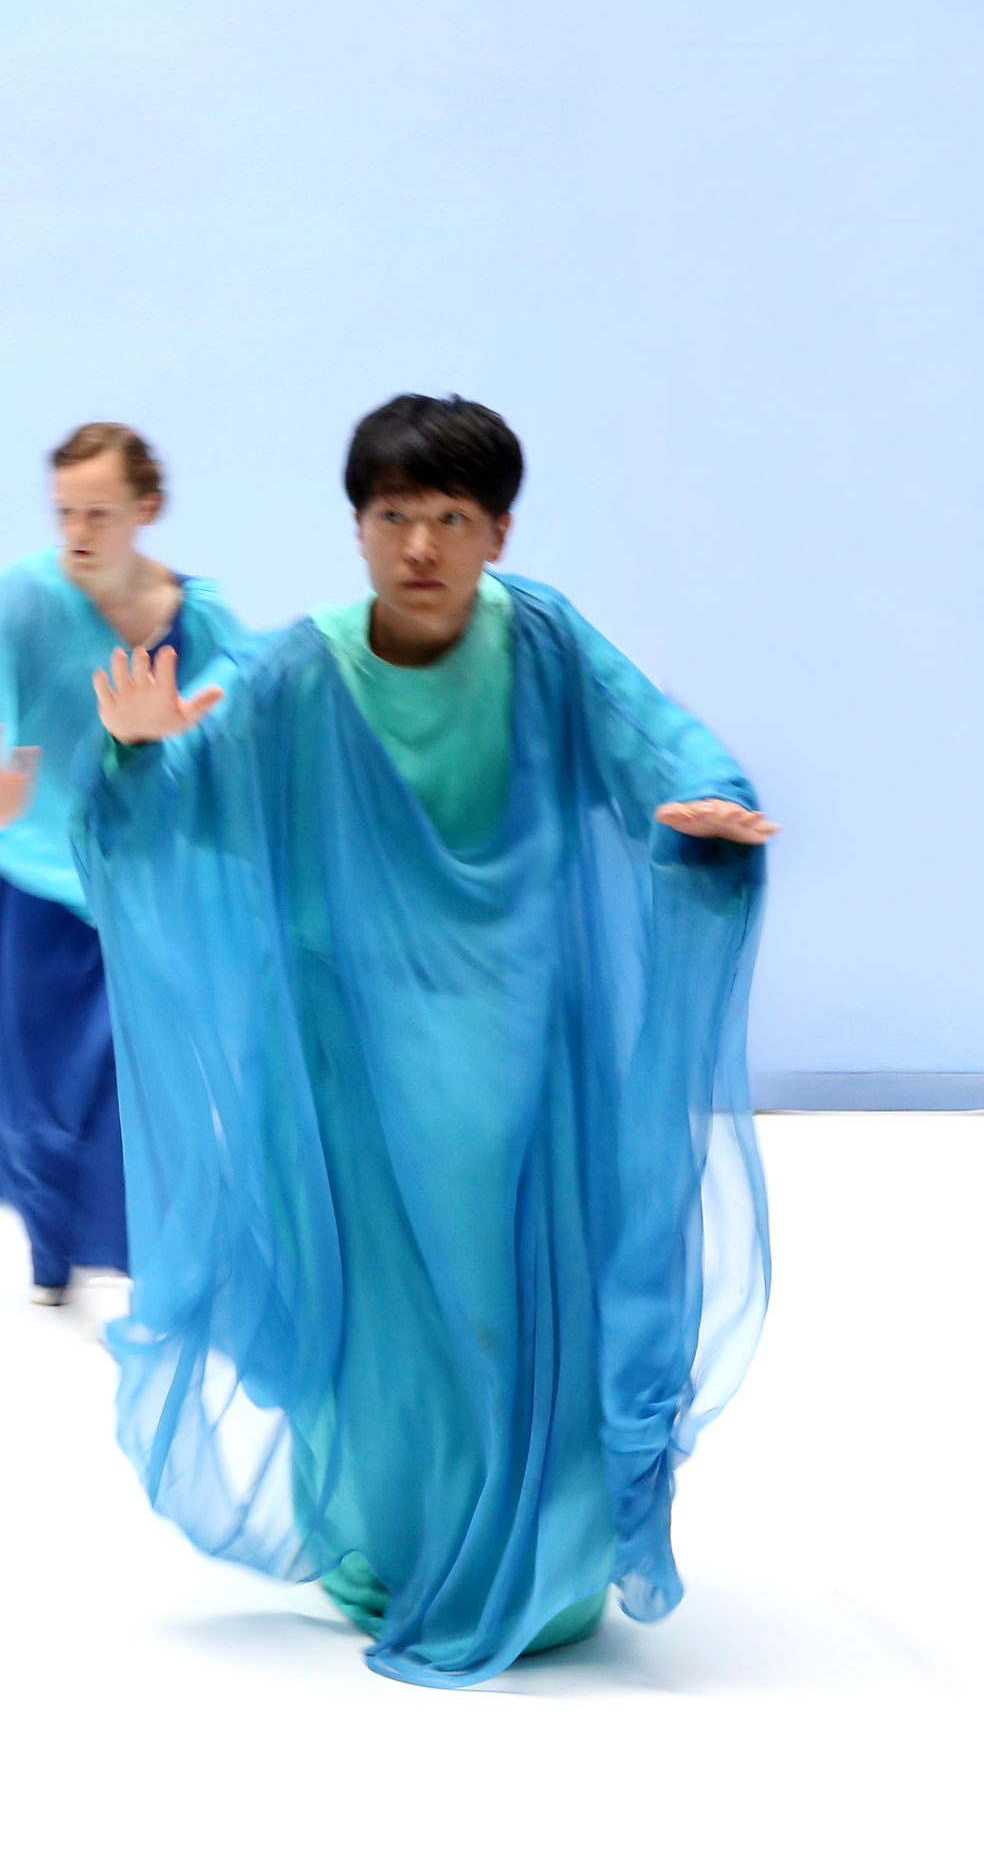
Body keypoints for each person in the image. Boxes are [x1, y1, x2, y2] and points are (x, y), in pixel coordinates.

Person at [75, 395, 775, 1687]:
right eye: (394, 515)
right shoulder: (298, 675)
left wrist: (711, 805)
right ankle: (399, 1544)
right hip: (352, 1059)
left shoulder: (544, 642)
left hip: (523, 1049)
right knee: (385, 1319)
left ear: (498, 532)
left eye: (451, 518)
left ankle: (542, 1548)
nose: (419, 547)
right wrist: (132, 760)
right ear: (357, 526)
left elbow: (659, 744)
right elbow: (182, 804)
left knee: (526, 1296)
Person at [0, 425, 245, 1299]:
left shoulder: (200, 617)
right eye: (64, 512)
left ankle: (151, 1264)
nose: (77, 531)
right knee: (24, 1093)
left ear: (148, 509)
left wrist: (184, 743)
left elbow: (239, 716)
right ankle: (52, 1247)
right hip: (22, 878)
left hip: (136, 886)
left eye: (98, 514)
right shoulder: (17, 600)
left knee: (138, 1076)